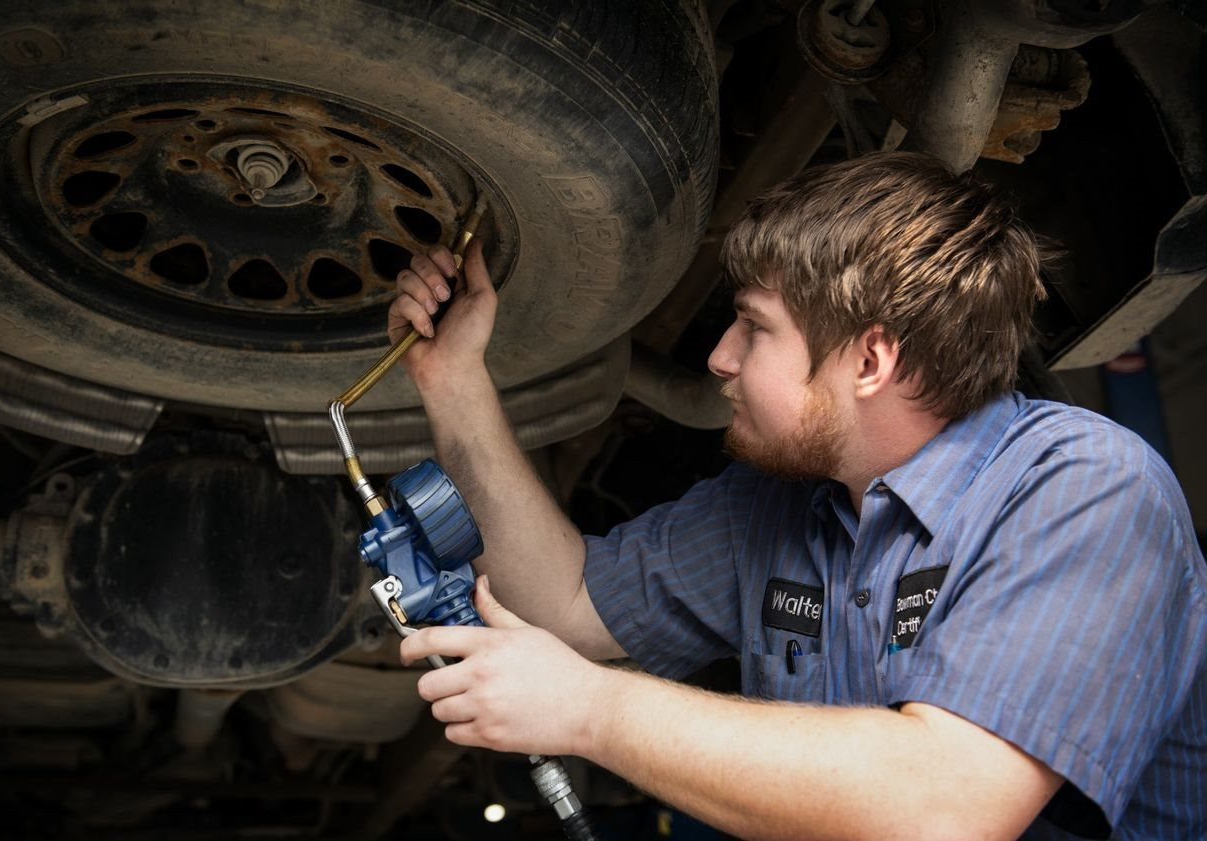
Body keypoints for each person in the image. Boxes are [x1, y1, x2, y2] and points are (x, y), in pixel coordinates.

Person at [385, 151, 1206, 840]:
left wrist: (588, 708)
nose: (719, 357)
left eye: (754, 325)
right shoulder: (783, 501)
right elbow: (563, 603)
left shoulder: (1083, 489)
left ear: (870, 361)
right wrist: (453, 381)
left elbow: (951, 803)